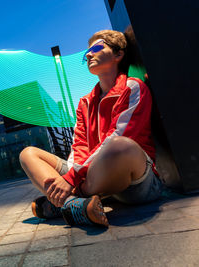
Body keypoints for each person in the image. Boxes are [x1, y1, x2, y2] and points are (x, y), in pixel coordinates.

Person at [19, 30, 163, 227]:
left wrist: (70, 181)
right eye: (86, 52)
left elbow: (119, 136)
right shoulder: (85, 102)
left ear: (118, 55)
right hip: (92, 177)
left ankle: (64, 201)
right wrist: (71, 175)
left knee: (121, 145)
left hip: (134, 183)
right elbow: (79, 145)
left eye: (97, 48)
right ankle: (74, 203)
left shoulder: (132, 88)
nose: (88, 54)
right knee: (28, 154)